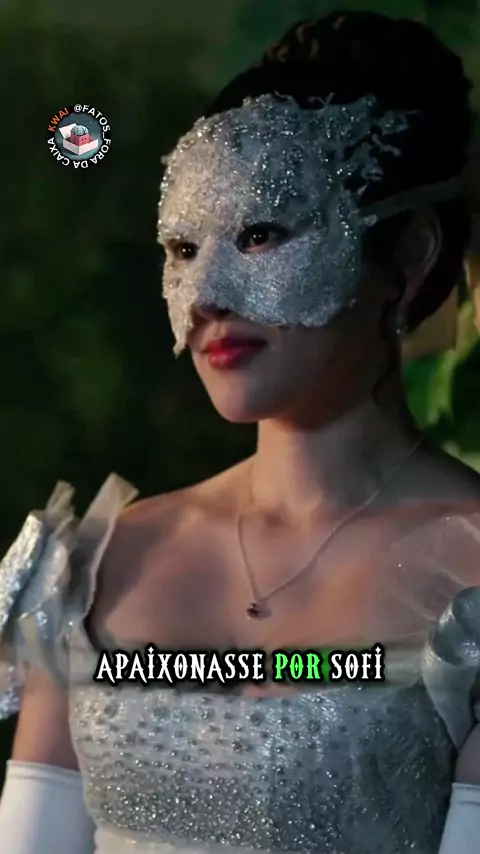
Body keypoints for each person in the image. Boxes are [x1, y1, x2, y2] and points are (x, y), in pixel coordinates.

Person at [0, 9, 480, 854]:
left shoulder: (470, 573)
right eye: (183, 248)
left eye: (261, 235)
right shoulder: (94, 565)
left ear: (408, 257)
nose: (208, 296)